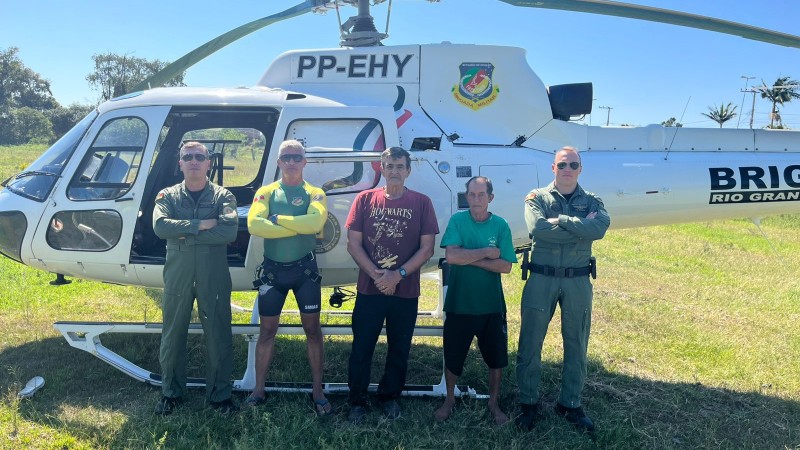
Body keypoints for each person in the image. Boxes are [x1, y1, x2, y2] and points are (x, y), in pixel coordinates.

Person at [516, 146, 610, 432]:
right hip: (541, 279)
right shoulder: (537, 197)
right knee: (531, 342)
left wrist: (564, 221)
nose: (567, 169)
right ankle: (527, 403)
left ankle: (570, 404)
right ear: (553, 168)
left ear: (580, 169)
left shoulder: (592, 199)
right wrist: (581, 227)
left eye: (573, 164)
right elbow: (539, 230)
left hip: (578, 281)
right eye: (562, 164)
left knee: (577, 343)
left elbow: (601, 229)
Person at [345, 146, 439, 424]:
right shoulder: (364, 200)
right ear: (381, 169)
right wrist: (378, 275)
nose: (395, 171)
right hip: (370, 289)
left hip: (405, 290)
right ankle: (357, 401)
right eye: (390, 166)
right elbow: (353, 244)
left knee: (400, 347)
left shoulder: (422, 203)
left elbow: (427, 249)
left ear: (408, 170)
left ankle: (390, 396)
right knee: (362, 346)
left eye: (400, 166)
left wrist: (397, 275)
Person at [245, 139, 332, 415]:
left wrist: (278, 219)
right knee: (267, 331)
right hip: (273, 272)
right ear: (279, 162)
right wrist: (298, 226)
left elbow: (316, 223)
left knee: (312, 331)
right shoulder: (266, 191)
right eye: (287, 157)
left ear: (305, 162)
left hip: (305, 273)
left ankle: (318, 391)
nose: (292, 162)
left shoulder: (315, 192)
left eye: (297, 157)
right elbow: (254, 225)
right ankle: (259, 390)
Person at [152, 141, 239, 415]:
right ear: (180, 163)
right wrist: (200, 225)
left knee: (218, 333)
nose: (193, 161)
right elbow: (159, 226)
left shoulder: (223, 196)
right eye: (187, 156)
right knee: (173, 332)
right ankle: (171, 392)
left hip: (212, 272)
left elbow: (228, 233)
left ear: (208, 162)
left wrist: (183, 234)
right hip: (178, 272)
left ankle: (220, 395)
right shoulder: (167, 196)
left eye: (199, 157)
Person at [433, 176, 516, 425]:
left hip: (491, 306)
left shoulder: (500, 226)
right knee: (454, 355)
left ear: (490, 198)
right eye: (472, 194)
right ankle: (449, 399)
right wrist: (486, 254)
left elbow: (505, 266)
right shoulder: (458, 220)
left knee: (496, 358)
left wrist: (470, 258)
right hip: (460, 304)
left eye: (481, 195)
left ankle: (493, 402)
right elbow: (451, 256)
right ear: (466, 196)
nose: (476, 199)